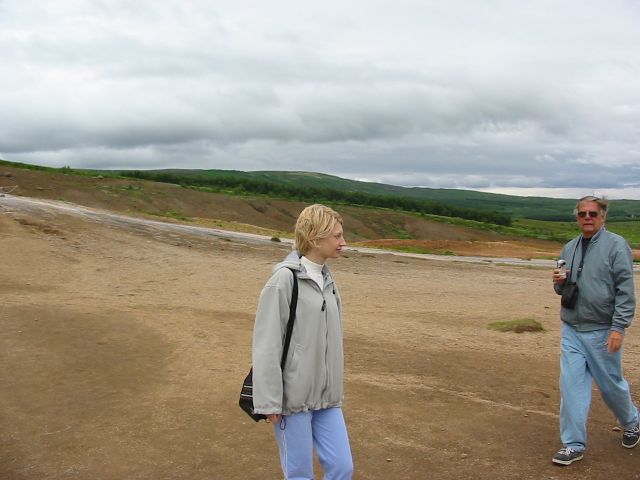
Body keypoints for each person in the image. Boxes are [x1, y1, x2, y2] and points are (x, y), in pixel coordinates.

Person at [252, 204, 353, 479]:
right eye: (337, 236)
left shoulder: (329, 281)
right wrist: (269, 401)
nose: (343, 242)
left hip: (327, 399)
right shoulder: (284, 280)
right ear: (314, 238)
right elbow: (267, 344)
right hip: (292, 401)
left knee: (342, 467)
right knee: (299, 474)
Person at [551, 195, 638, 466]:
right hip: (572, 328)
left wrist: (618, 327)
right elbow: (561, 289)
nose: (587, 218)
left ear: (603, 216)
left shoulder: (616, 245)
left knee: (611, 386)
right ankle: (573, 444)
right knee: (571, 386)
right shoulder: (569, 248)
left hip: (602, 330)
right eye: (582, 214)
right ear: (577, 217)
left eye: (592, 213)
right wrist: (558, 282)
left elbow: (625, 290)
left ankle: (632, 422)